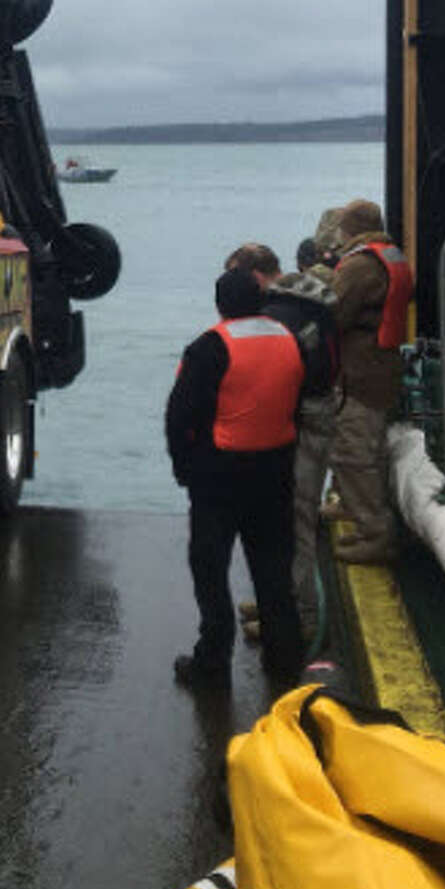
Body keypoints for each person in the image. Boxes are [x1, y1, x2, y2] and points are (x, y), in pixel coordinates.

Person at [165, 267, 306, 692]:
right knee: (274, 571)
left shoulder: (209, 348)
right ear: (261, 301)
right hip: (276, 471)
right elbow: (297, 402)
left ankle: (212, 662)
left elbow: (180, 417)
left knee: (210, 569)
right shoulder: (289, 340)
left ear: (220, 304)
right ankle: (285, 661)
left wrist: (184, 469)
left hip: (219, 478)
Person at [223, 242, 339, 647]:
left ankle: (300, 621)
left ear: (255, 276)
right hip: (317, 412)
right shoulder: (304, 300)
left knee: (295, 519)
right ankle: (279, 602)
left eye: (236, 276)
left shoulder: (276, 318)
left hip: (302, 421)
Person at [328, 198, 414, 564]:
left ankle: (375, 534)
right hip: (382, 365)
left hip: (360, 372)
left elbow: (334, 313)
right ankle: (351, 505)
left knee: (354, 451)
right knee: (369, 447)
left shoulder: (360, 265)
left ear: (349, 230)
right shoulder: (391, 255)